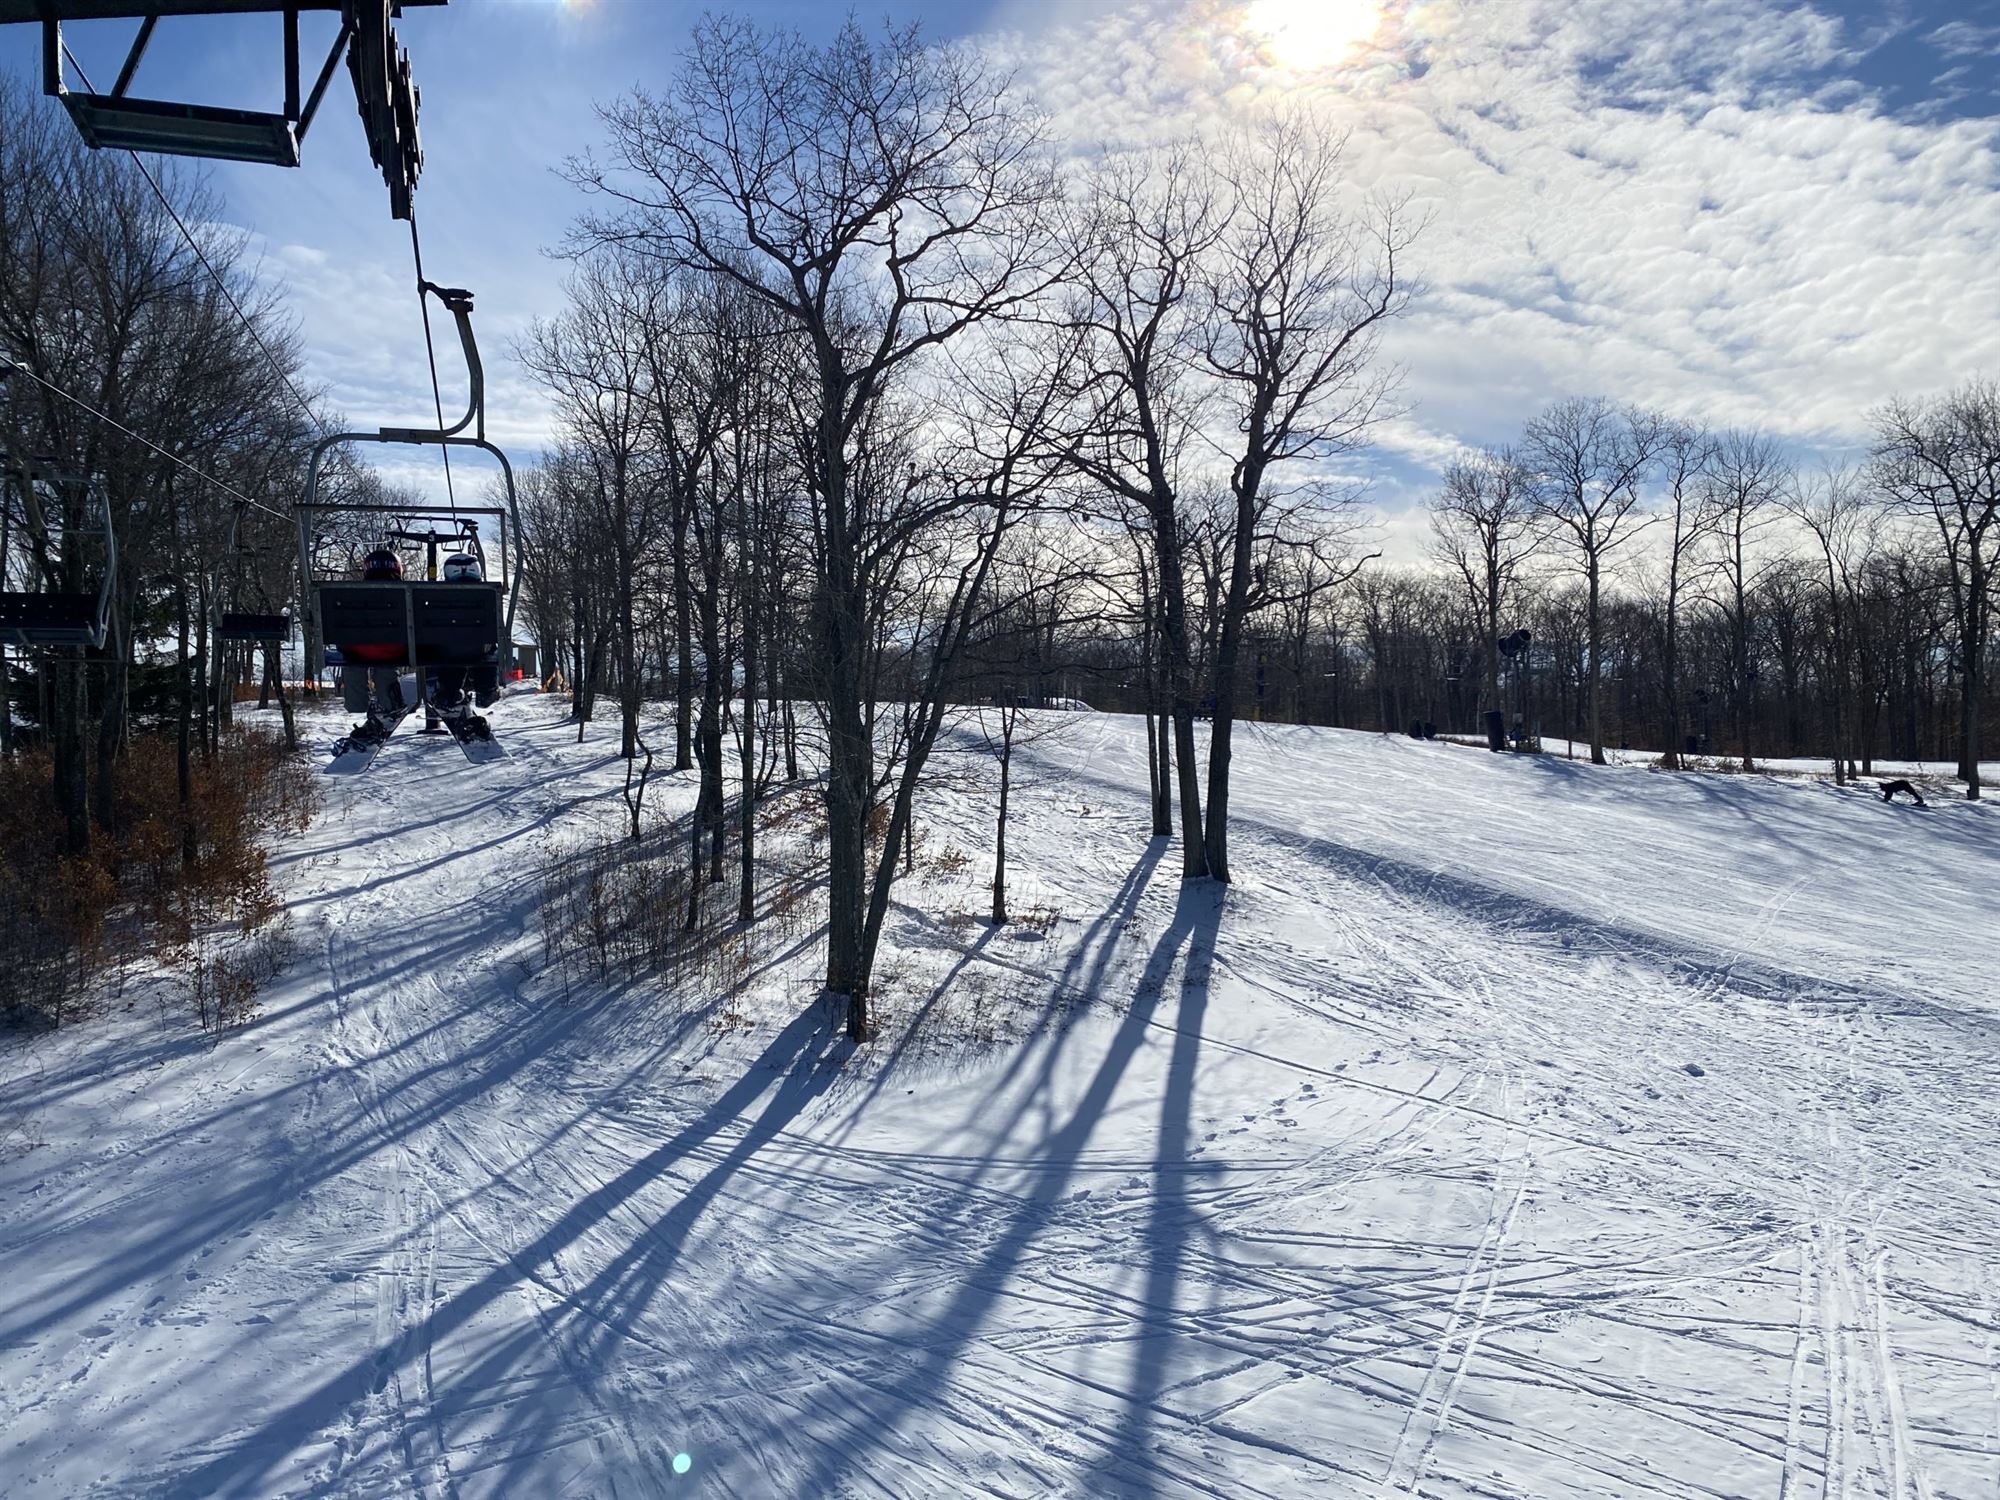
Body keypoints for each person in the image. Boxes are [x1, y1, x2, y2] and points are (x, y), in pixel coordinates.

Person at [341, 547, 407, 719]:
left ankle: (356, 705)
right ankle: (388, 705)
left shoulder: (350, 594)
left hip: (357, 651)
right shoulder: (406, 593)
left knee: (353, 664)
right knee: (385, 666)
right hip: (394, 650)